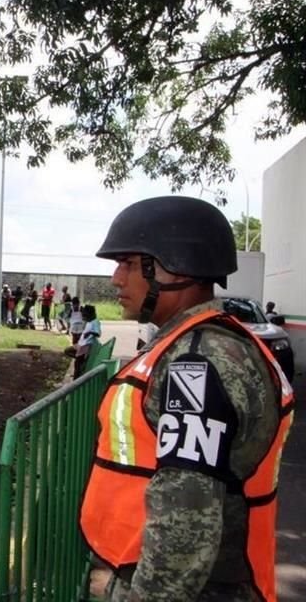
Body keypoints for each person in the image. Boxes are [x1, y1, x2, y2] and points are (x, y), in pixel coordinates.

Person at [80, 196, 294, 602]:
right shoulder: (195, 346)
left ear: (171, 268)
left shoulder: (198, 363)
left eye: (127, 263)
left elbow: (185, 527)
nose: (115, 279)